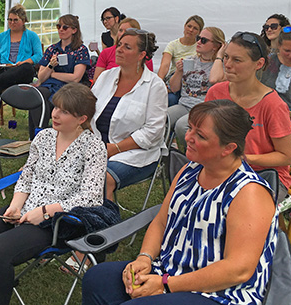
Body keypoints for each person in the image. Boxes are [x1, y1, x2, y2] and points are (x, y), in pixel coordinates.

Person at [82, 100, 279, 305]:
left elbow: (238, 270)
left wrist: (165, 285)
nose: (188, 137)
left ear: (228, 148)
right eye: (190, 128)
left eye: (200, 135)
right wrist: (144, 258)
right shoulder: (191, 170)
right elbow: (161, 221)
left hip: (221, 294)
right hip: (169, 270)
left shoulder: (249, 193)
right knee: (98, 279)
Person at [0, 83, 107, 305]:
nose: (55, 114)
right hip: (26, 208)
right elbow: (27, 176)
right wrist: (16, 206)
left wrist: (45, 212)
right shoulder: (44, 137)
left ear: (81, 119)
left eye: (64, 111)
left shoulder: (94, 147)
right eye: (55, 107)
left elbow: (91, 198)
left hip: (60, 222)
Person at [206, 32, 291, 202]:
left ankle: (270, 229)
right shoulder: (215, 93)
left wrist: (244, 159)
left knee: (231, 208)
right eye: (226, 57)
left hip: (265, 175)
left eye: (237, 60)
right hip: (223, 169)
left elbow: (286, 156)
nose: (228, 65)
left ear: (259, 64)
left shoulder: (273, 105)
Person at [92, 28, 167, 201]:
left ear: (141, 55)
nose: (118, 49)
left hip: (136, 154)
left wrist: (114, 148)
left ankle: (104, 223)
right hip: (99, 147)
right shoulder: (106, 77)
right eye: (119, 45)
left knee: (101, 179)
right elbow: (87, 111)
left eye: (127, 47)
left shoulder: (154, 86)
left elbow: (153, 132)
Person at [29, 14, 90, 139]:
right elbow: (41, 77)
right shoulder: (52, 49)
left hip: (70, 88)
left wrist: (53, 73)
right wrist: (50, 66)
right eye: (58, 26)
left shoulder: (81, 50)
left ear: (74, 30)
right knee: (37, 95)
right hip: (49, 85)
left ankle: (44, 136)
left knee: (52, 99)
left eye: (65, 27)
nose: (60, 30)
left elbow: (75, 78)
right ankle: (39, 135)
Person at [167, 27, 226, 147]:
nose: (198, 42)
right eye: (198, 38)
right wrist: (178, 72)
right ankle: (162, 156)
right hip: (184, 104)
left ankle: (193, 157)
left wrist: (220, 56)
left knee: (182, 125)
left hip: (204, 108)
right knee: (161, 118)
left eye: (203, 40)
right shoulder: (190, 60)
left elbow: (214, 80)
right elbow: (173, 88)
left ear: (215, 46)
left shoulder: (220, 65)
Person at [0, 4, 43, 134]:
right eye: (10, 20)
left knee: (25, 69)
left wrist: (25, 61)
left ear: (23, 21)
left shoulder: (31, 36)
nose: (12, 23)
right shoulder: (2, 36)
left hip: (22, 71)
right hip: (5, 69)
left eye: (15, 20)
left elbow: (38, 55)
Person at [156, 15, 205, 107]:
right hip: (175, 76)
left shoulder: (200, 46)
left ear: (199, 32)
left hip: (192, 80)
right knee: (170, 98)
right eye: (189, 26)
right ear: (184, 26)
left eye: (195, 28)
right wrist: (158, 83)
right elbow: (165, 65)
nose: (191, 30)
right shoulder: (173, 45)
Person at [93, 18, 154, 82]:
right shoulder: (106, 52)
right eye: (120, 30)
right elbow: (97, 79)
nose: (123, 34)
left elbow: (148, 80)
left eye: (127, 31)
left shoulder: (145, 57)